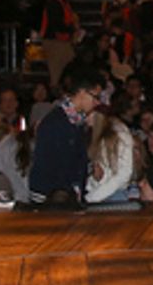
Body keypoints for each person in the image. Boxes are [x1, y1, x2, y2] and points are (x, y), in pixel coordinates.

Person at [28, 67, 102, 205]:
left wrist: (90, 168)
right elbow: (48, 166)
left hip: (64, 196)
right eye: (95, 97)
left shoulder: (76, 121)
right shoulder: (56, 122)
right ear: (82, 92)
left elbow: (73, 158)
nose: (98, 102)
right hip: (52, 199)